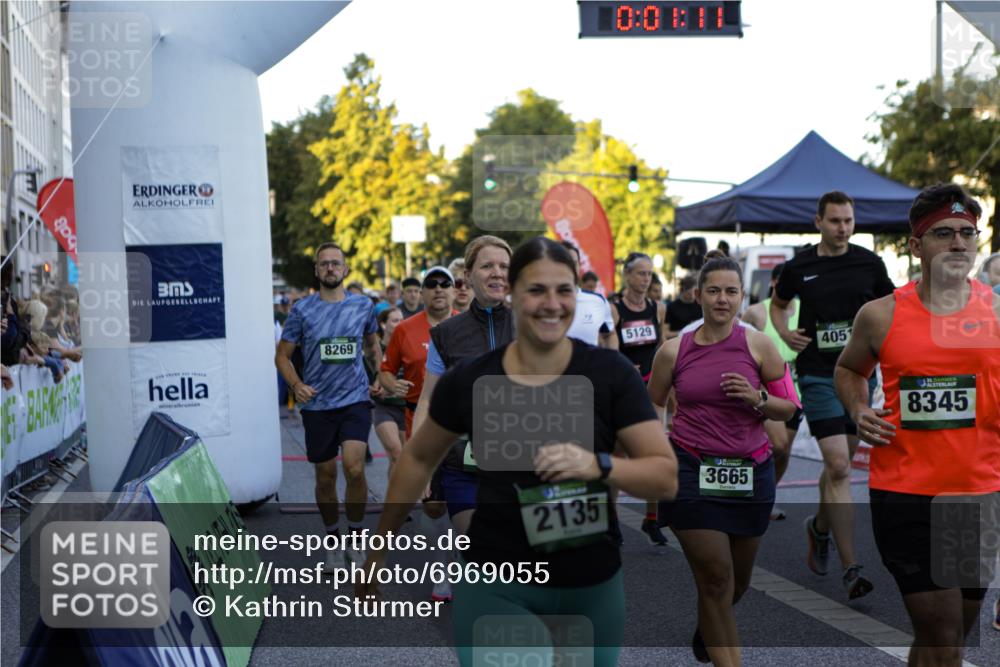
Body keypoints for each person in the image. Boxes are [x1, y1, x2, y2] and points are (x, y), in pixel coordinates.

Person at [360, 237, 678, 667]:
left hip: (589, 583)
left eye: (563, 290)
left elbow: (664, 475)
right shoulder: (472, 377)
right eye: (536, 290)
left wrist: (597, 465)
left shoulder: (610, 374)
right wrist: (377, 552)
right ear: (512, 293)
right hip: (498, 578)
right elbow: (417, 457)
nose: (551, 303)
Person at [833, 183, 1000, 665]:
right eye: (943, 233)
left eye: (967, 233)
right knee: (944, 632)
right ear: (915, 245)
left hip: (976, 493)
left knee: (947, 638)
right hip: (906, 493)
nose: (958, 243)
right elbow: (848, 370)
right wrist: (858, 409)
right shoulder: (880, 315)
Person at [649, 251, 797, 666]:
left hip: (750, 472)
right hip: (692, 469)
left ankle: (709, 627)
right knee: (716, 579)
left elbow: (789, 408)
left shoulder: (759, 344)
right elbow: (654, 405)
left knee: (737, 584)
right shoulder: (673, 351)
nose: (722, 299)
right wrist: (659, 449)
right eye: (713, 290)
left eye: (731, 291)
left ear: (740, 296)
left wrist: (758, 399)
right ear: (698, 295)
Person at [769, 190, 893, 600]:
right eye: (835, 220)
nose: (843, 228)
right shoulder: (799, 266)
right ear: (818, 221)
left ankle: (819, 528)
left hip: (859, 375)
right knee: (840, 464)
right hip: (819, 374)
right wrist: (785, 332)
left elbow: (891, 307)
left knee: (839, 466)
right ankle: (850, 567)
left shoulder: (869, 263)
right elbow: (779, 304)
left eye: (848, 221)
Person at [275, 242, 381, 572]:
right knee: (325, 477)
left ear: (346, 269)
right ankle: (333, 541)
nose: (331, 269)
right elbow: (282, 356)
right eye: (325, 264)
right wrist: (296, 385)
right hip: (318, 404)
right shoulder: (302, 310)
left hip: (355, 400)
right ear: (317, 271)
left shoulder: (363, 305)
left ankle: (356, 538)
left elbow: (372, 343)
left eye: (336, 263)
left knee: (353, 466)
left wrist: (378, 374)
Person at [412, 236, 515, 536]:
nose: (497, 272)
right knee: (479, 543)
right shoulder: (446, 334)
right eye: (487, 266)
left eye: (504, 266)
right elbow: (428, 402)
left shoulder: (534, 324)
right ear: (467, 276)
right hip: (464, 465)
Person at [609, 251, 668, 544]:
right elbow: (607, 349)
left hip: (651, 387)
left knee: (655, 452)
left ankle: (652, 518)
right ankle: (612, 518)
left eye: (649, 274)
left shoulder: (657, 308)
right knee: (619, 454)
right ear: (627, 276)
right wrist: (621, 365)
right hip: (624, 388)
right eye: (640, 274)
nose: (646, 279)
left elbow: (662, 345)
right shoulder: (615, 310)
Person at [741, 262, 803, 519]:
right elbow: (740, 343)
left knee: (784, 449)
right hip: (766, 388)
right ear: (775, 284)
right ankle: (751, 494)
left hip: (795, 388)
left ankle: (767, 497)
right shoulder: (756, 312)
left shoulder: (805, 308)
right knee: (773, 446)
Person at [369, 307, 406, 474]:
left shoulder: (408, 348)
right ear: (383, 325)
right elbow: (362, 379)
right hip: (384, 408)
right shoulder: (373, 350)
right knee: (396, 454)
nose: (401, 323)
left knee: (403, 460)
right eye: (395, 320)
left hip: (407, 408)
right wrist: (372, 388)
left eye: (402, 319)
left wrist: (394, 388)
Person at [560, 241, 617, 349]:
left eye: (574, 263)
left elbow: (610, 334)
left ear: (579, 266)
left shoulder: (597, 301)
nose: (570, 268)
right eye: (564, 263)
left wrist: (612, 362)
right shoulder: (541, 303)